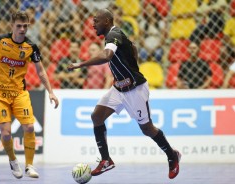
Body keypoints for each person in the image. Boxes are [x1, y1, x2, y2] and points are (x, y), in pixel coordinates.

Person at [68, 9, 181, 179]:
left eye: (96, 21)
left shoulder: (114, 33)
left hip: (135, 90)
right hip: (118, 88)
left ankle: (172, 156)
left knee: (147, 129)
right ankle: (106, 160)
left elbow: (107, 56)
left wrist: (80, 64)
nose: (93, 24)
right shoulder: (116, 36)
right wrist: (131, 63)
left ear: (106, 21)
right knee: (97, 116)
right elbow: (133, 47)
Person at [0, 11, 59, 179]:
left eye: (25, 26)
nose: (22, 29)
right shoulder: (0, 40)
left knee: (29, 127)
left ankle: (29, 165)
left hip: (19, 93)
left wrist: (50, 92)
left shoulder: (31, 47)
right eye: (19, 26)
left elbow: (41, 71)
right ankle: (13, 160)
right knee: (6, 133)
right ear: (12, 26)